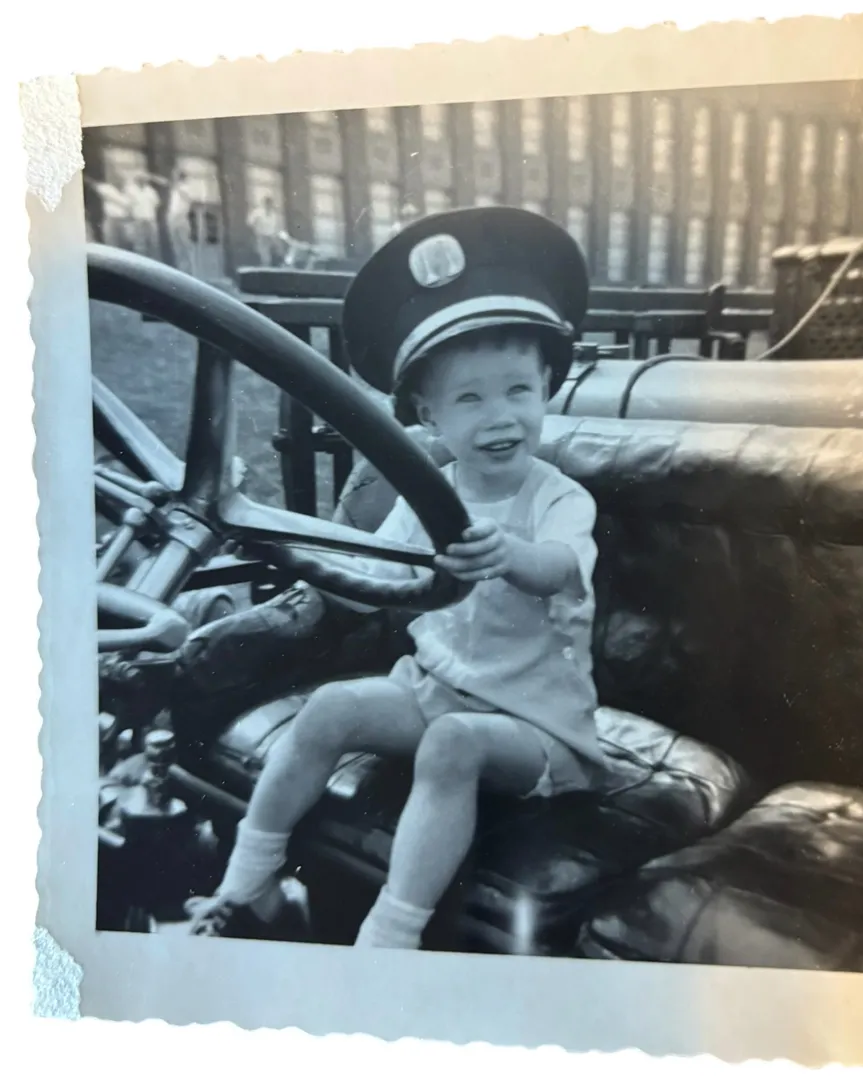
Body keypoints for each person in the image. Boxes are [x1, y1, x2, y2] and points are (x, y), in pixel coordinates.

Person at [186, 207, 606, 948]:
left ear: (547, 389)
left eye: (519, 390)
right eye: (470, 398)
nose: (501, 416)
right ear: (428, 418)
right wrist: (277, 540)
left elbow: (556, 568)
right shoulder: (428, 498)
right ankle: (247, 878)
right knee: (329, 708)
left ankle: (390, 935)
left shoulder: (560, 500)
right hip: (434, 690)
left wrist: (506, 554)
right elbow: (365, 579)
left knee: (452, 744)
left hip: (538, 728)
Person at [124, 172, 162, 257]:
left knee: (153, 243)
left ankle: (154, 260)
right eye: (140, 179)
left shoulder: (151, 191)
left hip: (150, 219)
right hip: (138, 220)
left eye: (144, 179)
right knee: (140, 244)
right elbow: (127, 205)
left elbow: (156, 203)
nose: (142, 181)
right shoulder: (130, 190)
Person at [247, 196, 280, 266]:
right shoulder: (257, 212)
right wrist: (255, 229)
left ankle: (270, 265)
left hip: (271, 236)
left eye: (270, 203)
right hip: (261, 235)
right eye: (267, 203)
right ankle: (264, 265)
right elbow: (250, 222)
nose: (269, 205)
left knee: (273, 251)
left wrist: (275, 235)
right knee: (263, 252)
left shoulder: (273, 214)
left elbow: (275, 226)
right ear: (264, 203)